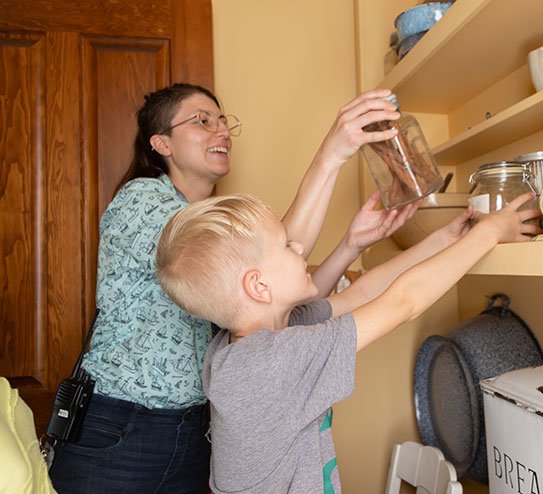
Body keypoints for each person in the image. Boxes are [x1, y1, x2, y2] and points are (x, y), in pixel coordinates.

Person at [48, 82, 415, 493]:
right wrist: (331, 155)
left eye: (223, 121)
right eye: (202, 121)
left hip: (194, 431)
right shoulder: (145, 200)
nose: (221, 130)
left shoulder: (209, 220)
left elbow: (276, 297)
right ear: (161, 143)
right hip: (122, 430)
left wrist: (350, 246)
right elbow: (268, 272)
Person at [154, 192, 535, 493]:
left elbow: (363, 292)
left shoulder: (256, 341)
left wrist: (444, 239)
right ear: (258, 286)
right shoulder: (269, 362)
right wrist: (489, 234)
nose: (301, 248)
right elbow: (402, 302)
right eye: (287, 245)